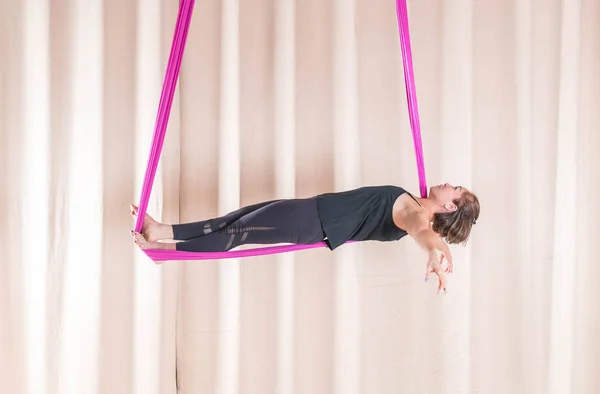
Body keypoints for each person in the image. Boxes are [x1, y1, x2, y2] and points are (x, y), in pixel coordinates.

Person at [130, 183, 480, 293]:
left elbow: (422, 230)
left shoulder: (415, 212)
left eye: (456, 188)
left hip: (314, 221)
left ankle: (165, 250)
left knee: (235, 233)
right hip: (314, 210)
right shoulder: (415, 205)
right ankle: (161, 231)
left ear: (449, 204)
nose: (450, 182)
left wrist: (437, 249)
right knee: (232, 221)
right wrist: (434, 248)